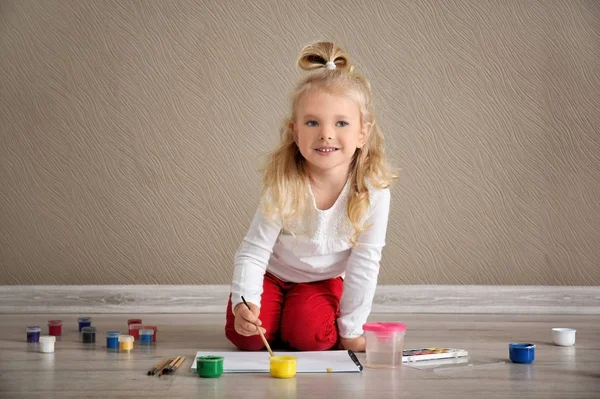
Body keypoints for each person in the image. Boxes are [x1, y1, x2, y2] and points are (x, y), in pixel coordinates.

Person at [225, 41, 397, 352]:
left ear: (363, 134)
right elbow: (253, 250)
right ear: (295, 132)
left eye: (341, 123)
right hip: (274, 275)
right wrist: (244, 303)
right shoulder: (285, 182)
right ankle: (271, 317)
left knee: (310, 338)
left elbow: (365, 264)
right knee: (248, 337)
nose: (326, 134)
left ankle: (295, 319)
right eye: (312, 122)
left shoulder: (373, 192)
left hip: (323, 282)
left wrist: (351, 331)